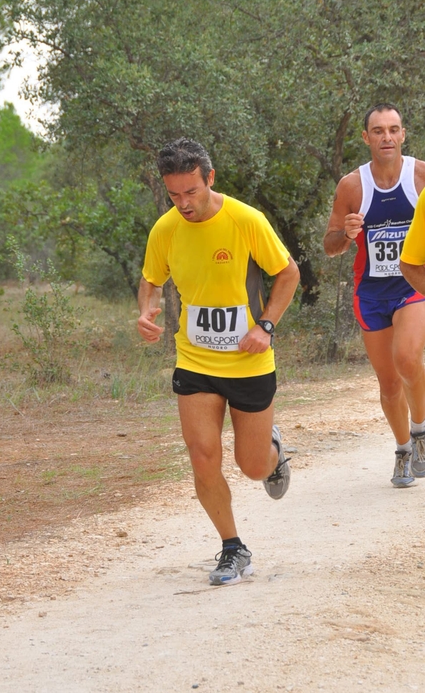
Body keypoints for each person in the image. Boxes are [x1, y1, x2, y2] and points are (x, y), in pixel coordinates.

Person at [137, 137, 300, 586]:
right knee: (202, 455)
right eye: (174, 194)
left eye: (191, 191)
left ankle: (273, 450)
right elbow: (150, 280)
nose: (184, 203)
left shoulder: (246, 220)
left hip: (249, 362)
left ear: (209, 178)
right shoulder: (165, 229)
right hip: (195, 361)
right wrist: (145, 311)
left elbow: (288, 273)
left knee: (252, 466)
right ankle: (233, 547)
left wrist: (265, 326)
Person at [323, 103, 425, 487]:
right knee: (389, 383)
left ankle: (420, 431)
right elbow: (330, 245)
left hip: (412, 286)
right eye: (378, 131)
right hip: (370, 293)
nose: (387, 137)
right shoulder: (352, 186)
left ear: (403, 134)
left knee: (408, 359)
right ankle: (402, 451)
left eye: (393, 129)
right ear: (365, 137)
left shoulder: (420, 176)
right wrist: (346, 234)